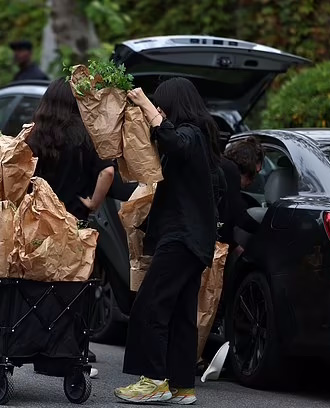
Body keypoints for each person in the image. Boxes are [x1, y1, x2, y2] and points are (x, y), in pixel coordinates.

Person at [115, 78, 222, 405]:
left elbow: (175, 141)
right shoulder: (200, 136)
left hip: (182, 238)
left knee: (151, 305)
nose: (158, 110)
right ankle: (181, 385)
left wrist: (146, 105)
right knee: (180, 312)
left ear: (174, 105)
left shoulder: (190, 134)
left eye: (162, 104)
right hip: (193, 241)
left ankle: (154, 381)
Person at [26, 77, 115, 378]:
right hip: (73, 225)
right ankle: (70, 349)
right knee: (73, 288)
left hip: (38, 223)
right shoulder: (84, 136)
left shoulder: (35, 136)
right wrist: (93, 203)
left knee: (36, 285)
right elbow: (108, 171)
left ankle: (32, 342)